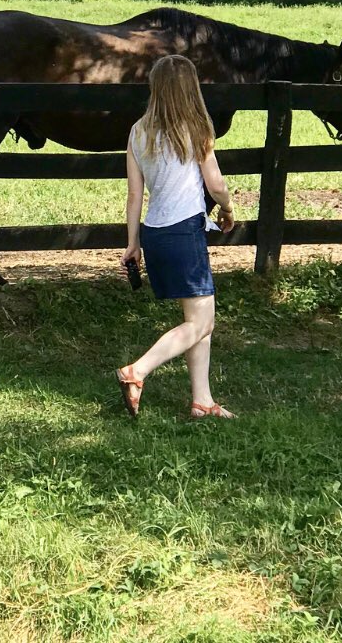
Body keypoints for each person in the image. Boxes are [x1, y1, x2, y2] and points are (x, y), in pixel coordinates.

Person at [115, 54, 237, 420]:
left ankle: (202, 400)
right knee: (201, 322)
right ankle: (137, 371)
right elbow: (215, 184)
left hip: (154, 233)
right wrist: (228, 209)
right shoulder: (196, 127)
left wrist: (132, 243)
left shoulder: (138, 131)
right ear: (190, 88)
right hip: (185, 231)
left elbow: (134, 195)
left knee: (200, 319)